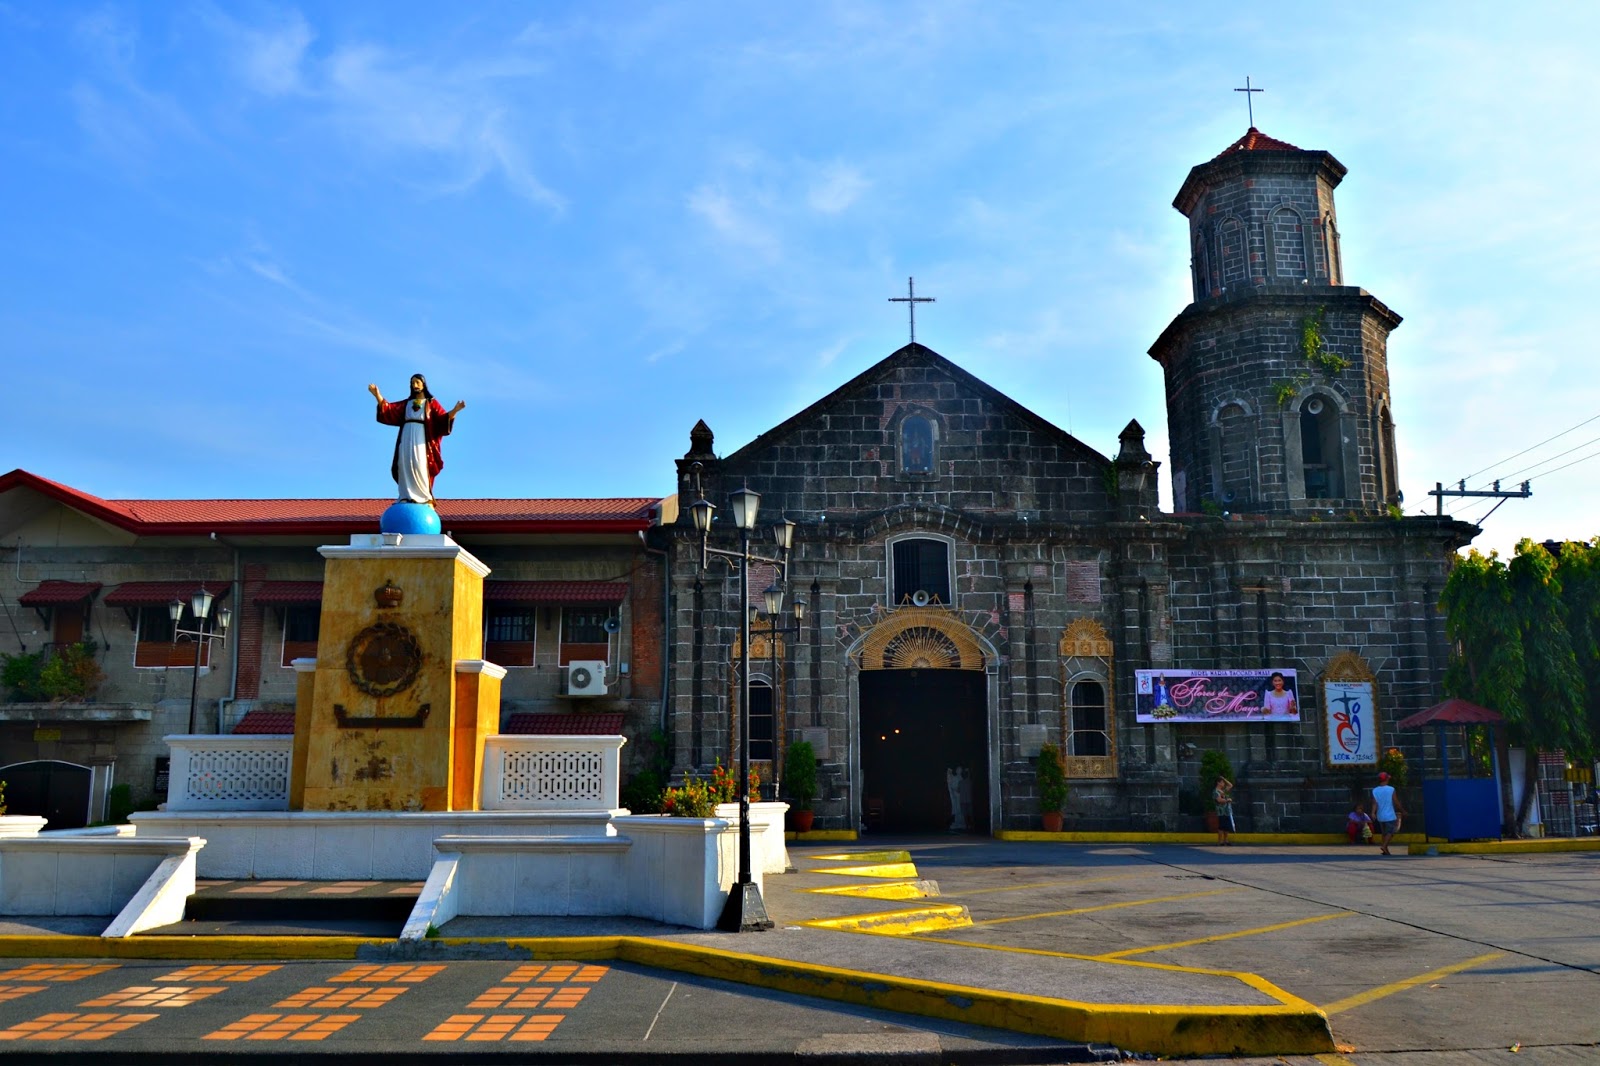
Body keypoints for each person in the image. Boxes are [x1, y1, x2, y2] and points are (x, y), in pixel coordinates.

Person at [369, 375, 465, 505]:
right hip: (406, 436)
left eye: (417, 382)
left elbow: (442, 419)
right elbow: (390, 410)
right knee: (405, 463)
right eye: (412, 383)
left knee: (420, 463)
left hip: (422, 438)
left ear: (423, 384)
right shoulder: (406, 404)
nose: (415, 385)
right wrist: (377, 395)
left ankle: (423, 496)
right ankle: (405, 495)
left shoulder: (431, 403)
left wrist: (455, 410)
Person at [1371, 770, 1405, 856]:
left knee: (1384, 833)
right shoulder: (1391, 789)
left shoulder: (1375, 790)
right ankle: (1384, 846)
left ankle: (1385, 850)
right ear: (1386, 779)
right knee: (1391, 832)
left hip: (1380, 815)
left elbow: (1374, 803)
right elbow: (1396, 802)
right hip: (1390, 815)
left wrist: (1373, 813)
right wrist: (1402, 810)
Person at [1213, 774, 1235, 845]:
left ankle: (1226, 840)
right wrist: (1227, 800)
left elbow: (1230, 785)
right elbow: (1219, 800)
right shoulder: (1216, 791)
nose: (1223, 784)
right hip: (1221, 811)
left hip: (1227, 811)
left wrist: (1224, 779)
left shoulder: (1223, 791)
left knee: (1226, 827)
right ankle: (1220, 841)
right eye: (1222, 782)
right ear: (1218, 783)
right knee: (1221, 826)